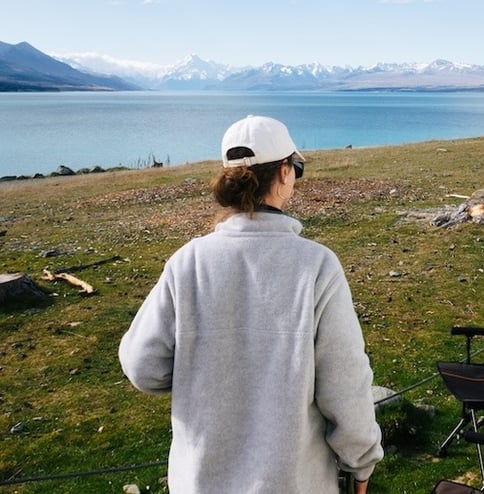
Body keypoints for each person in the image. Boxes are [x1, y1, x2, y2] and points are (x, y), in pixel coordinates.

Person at [119, 115, 384, 493]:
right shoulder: (316, 266)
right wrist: (362, 463)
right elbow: (345, 384)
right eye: (297, 167)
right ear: (284, 173)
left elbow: (143, 367)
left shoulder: (187, 262)